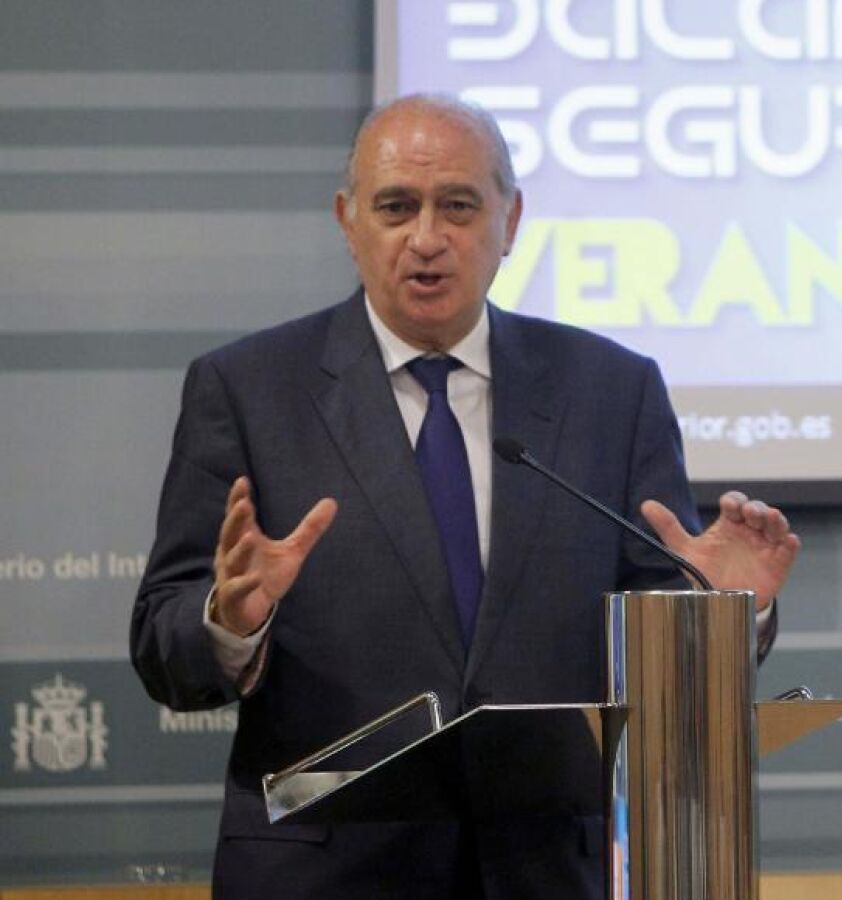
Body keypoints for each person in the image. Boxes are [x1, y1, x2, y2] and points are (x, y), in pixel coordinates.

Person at [129, 94, 798, 899]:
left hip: (546, 872)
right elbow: (162, 638)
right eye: (396, 207)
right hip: (325, 871)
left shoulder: (610, 391)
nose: (426, 238)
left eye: (458, 206)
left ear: (510, 222)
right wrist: (231, 621)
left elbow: (663, 648)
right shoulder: (248, 390)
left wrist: (721, 612)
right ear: (348, 222)